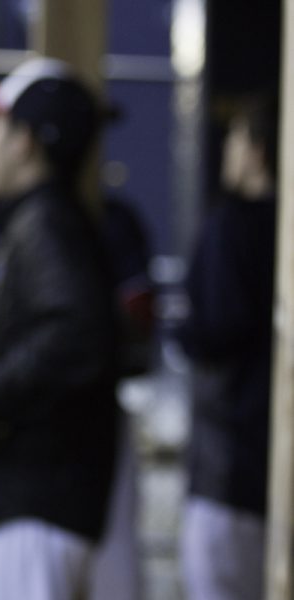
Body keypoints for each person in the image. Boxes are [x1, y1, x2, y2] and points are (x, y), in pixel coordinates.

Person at [0, 57, 119, 600]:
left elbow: (77, 332)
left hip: (27, 509)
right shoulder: (39, 219)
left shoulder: (48, 223)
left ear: (27, 141)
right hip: (14, 509)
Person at [177, 95, 278, 600]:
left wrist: (179, 331)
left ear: (258, 151)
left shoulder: (232, 224)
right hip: (267, 467)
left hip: (230, 465)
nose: (228, 151)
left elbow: (216, 330)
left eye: (237, 139)